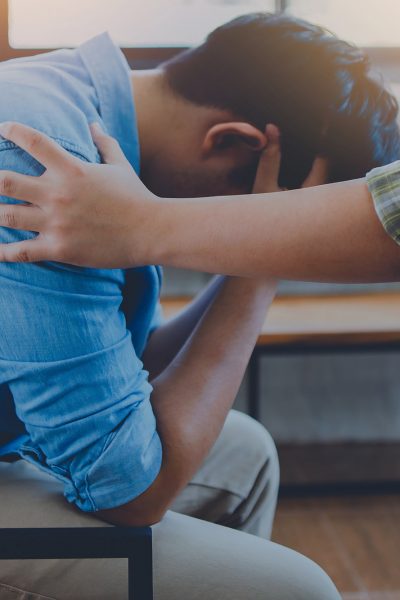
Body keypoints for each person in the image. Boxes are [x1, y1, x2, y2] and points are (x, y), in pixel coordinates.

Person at [0, 12, 399, 600]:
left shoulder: (85, 107)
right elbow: (132, 494)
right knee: (297, 589)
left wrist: (261, 253)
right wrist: (269, 256)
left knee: (247, 455)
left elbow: (130, 367)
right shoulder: (53, 166)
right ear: (232, 141)